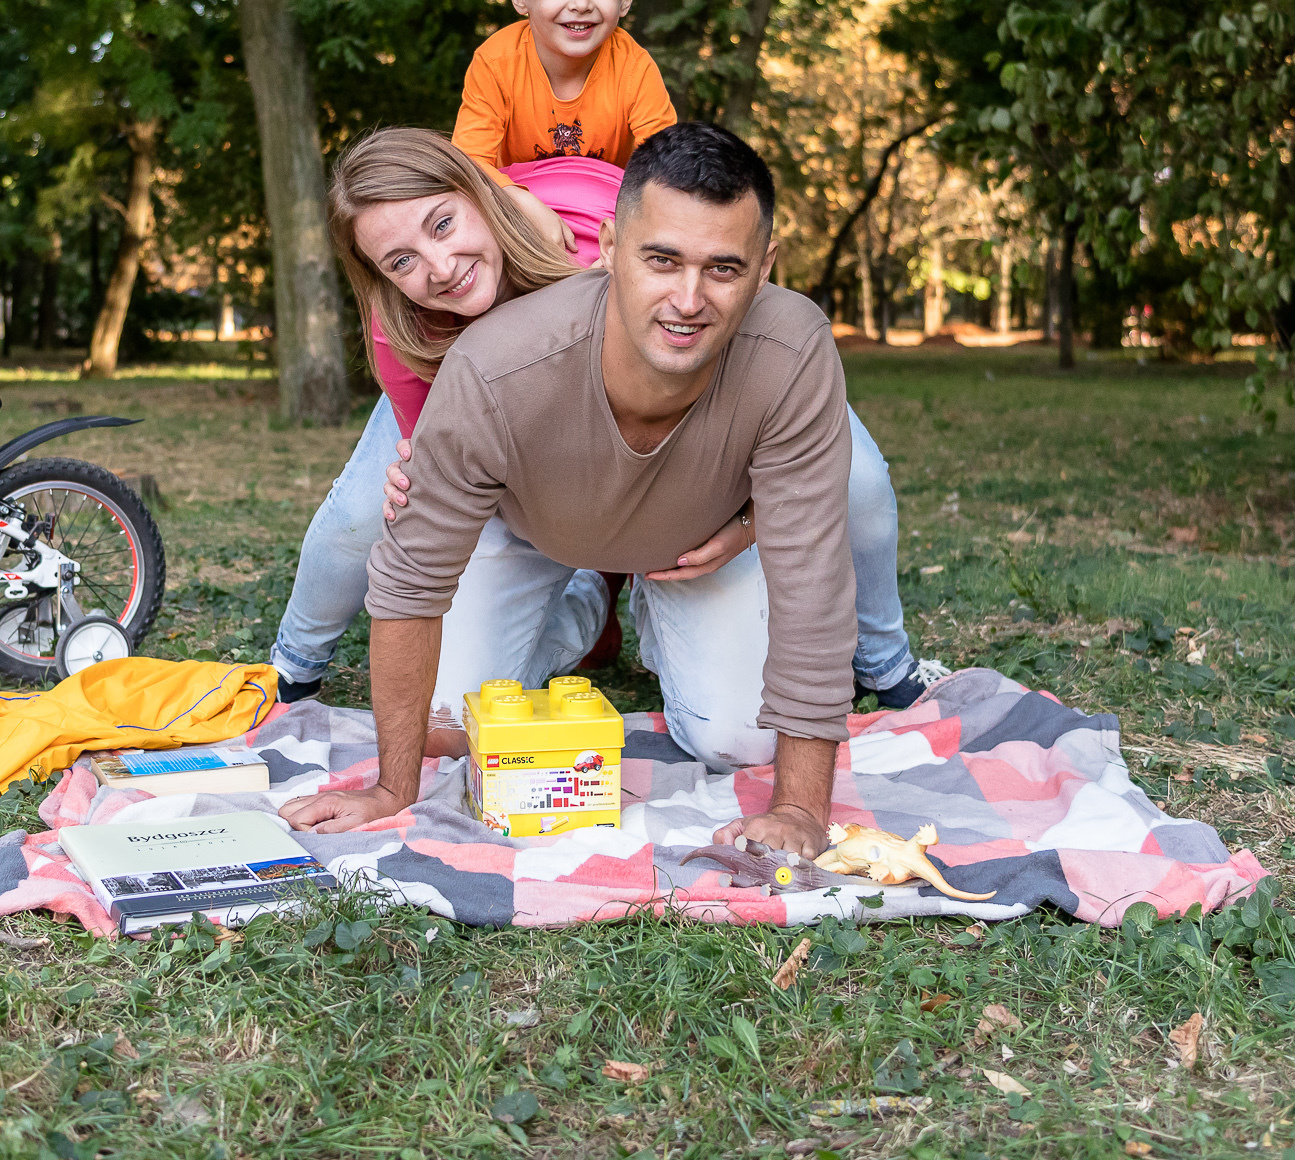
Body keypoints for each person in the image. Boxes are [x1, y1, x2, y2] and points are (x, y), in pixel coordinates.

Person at [283, 123, 866, 858]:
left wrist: (804, 810)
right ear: (613, 247)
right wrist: (392, 788)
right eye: (661, 261)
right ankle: (585, 601)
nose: (688, 298)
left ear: (765, 267)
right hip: (529, 512)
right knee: (442, 721)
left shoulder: (792, 348)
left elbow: (811, 573)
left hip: (690, 537)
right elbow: (410, 578)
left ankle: (661, 609)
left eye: (722, 268)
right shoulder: (485, 360)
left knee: (745, 735)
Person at [452, 0, 676, 257]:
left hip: (605, 220)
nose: (582, 3)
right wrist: (520, 202)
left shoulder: (634, 67)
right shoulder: (496, 62)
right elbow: (468, 159)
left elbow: (666, 163)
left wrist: (630, 233)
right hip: (519, 216)